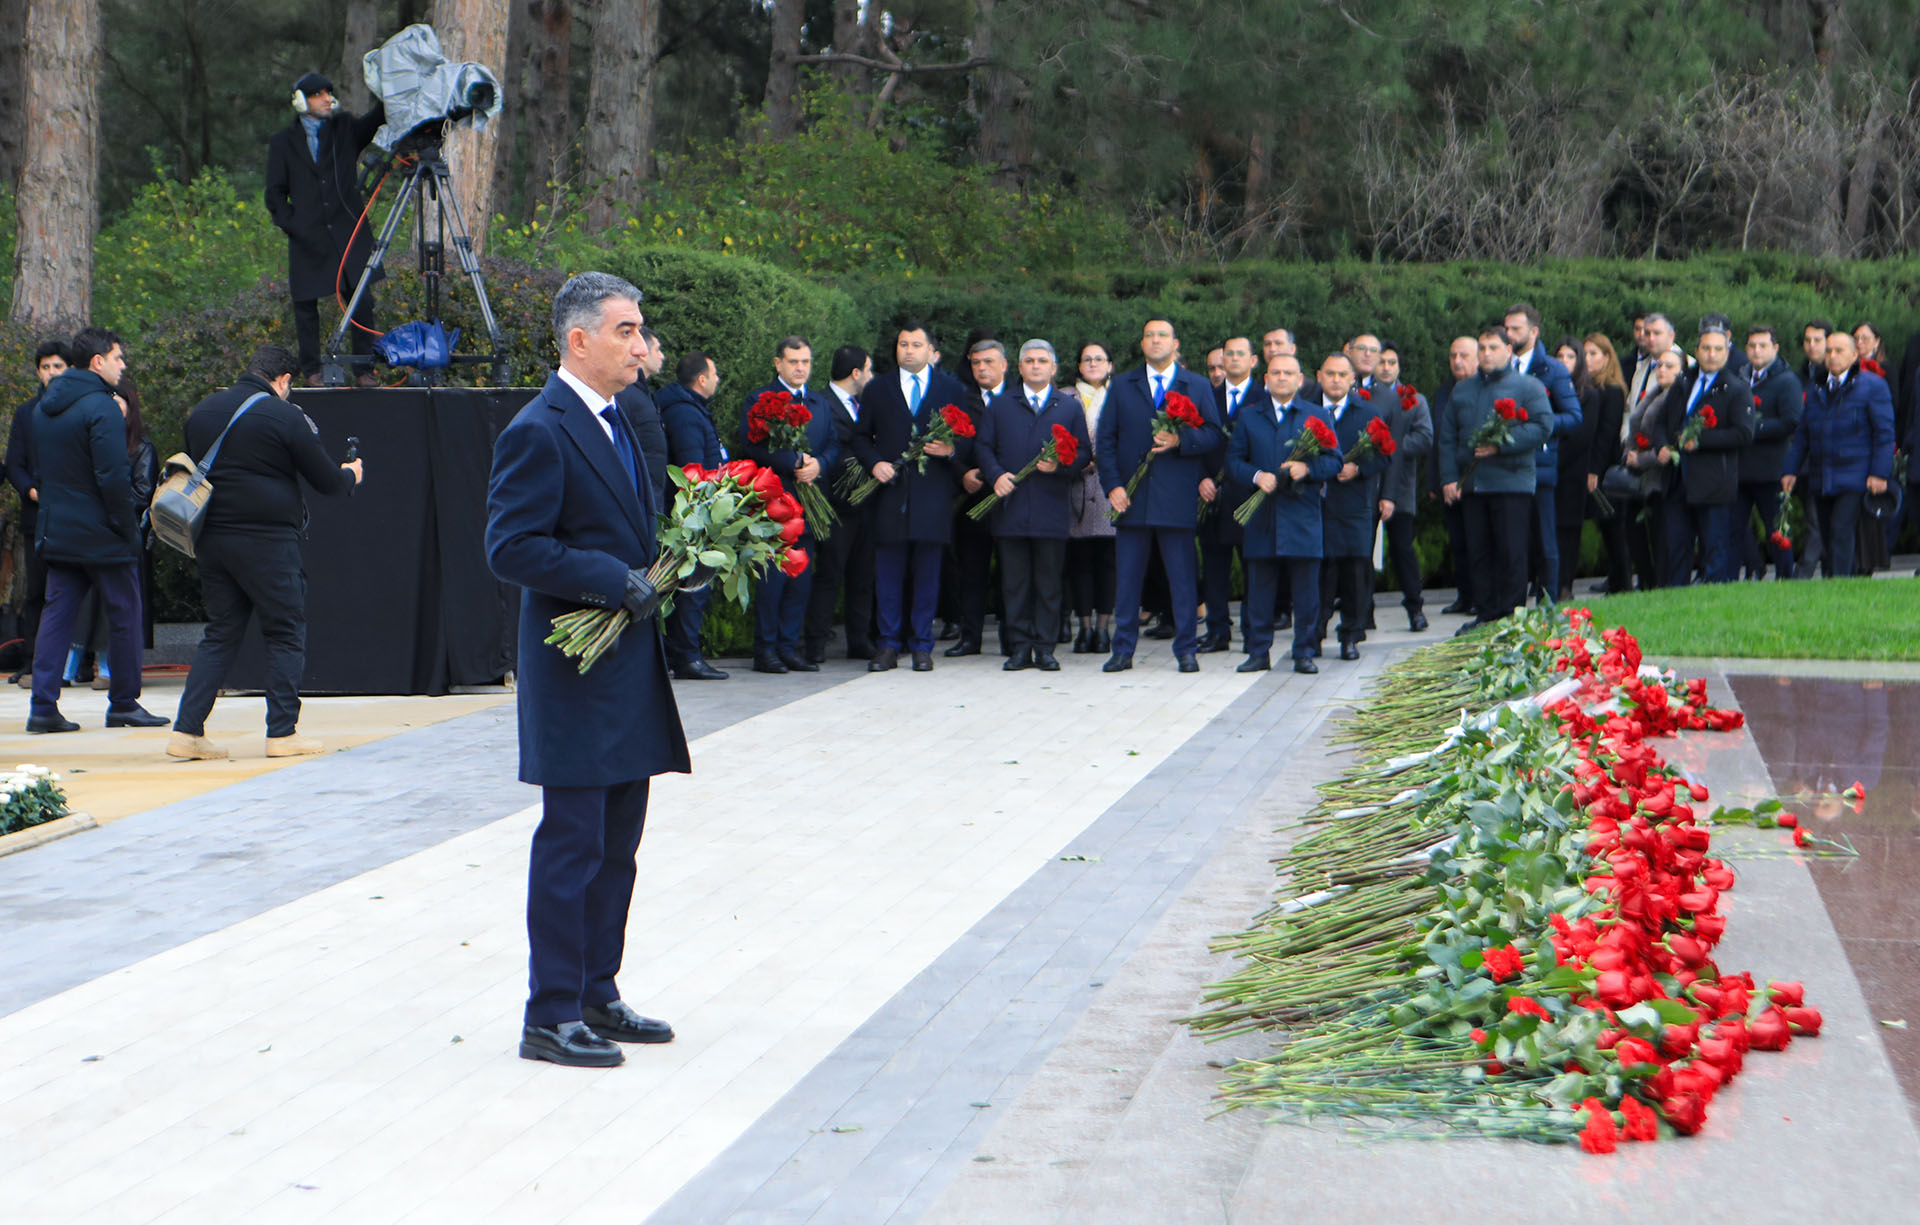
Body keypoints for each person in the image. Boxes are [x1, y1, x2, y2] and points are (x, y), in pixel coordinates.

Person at [485, 271, 691, 1068]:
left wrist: (671, 566)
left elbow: (625, 534)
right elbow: (510, 546)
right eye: (627, 330)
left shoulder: (618, 420)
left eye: (640, 330)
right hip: (573, 676)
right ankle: (551, 1011)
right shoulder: (541, 428)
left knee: (617, 844)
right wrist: (613, 579)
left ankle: (598, 993)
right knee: (573, 842)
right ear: (580, 340)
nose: (641, 345)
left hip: (625, 667)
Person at [166, 343, 363, 759]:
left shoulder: (204, 411)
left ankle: (186, 733)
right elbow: (326, 481)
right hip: (267, 542)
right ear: (284, 380)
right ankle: (282, 732)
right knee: (285, 630)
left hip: (210, 539)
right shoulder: (283, 415)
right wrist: (350, 474)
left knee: (220, 633)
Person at [25, 328, 169, 734]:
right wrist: (127, 529)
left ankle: (42, 707)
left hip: (58, 530)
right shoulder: (101, 407)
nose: (123, 366)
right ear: (97, 362)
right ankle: (124, 702)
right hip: (103, 533)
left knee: (56, 616)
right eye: (118, 358)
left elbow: (48, 471)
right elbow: (111, 476)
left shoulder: (43, 408)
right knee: (125, 613)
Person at [1098, 318, 1222, 673]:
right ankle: (1122, 649)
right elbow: (1105, 441)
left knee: (1182, 579)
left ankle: (1186, 650)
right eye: (1149, 335)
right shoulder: (1122, 385)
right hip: (1131, 499)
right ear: (1141, 344)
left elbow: (1214, 434)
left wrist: (1181, 441)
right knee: (1128, 579)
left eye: (1162, 335)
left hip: (1177, 496)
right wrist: (1114, 486)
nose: (1155, 340)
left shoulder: (1196, 385)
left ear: (1175, 343)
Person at [851, 322, 972, 672]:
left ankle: (922, 645)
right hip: (890, 495)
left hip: (933, 495)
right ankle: (888, 644)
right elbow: (860, 437)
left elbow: (967, 439)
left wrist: (951, 449)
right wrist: (874, 464)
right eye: (903, 344)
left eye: (916, 344)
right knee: (887, 573)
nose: (908, 350)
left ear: (929, 349)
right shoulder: (878, 389)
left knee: (928, 572)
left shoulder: (951, 388)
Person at [975, 340, 1091, 672]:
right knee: (1014, 584)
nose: (1036, 366)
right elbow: (983, 447)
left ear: (1054, 369)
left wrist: (1062, 467)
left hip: (1051, 508)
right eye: (1029, 360)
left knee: (1049, 583)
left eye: (1042, 361)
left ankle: (1045, 648)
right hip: (1010, 508)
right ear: (1019, 366)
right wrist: (995, 475)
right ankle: (1019, 647)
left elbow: (1083, 451)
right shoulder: (1001, 405)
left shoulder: (1068, 407)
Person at [264, 72, 384, 383]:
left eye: (329, 93)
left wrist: (388, 91)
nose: (326, 98)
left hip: (349, 233)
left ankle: (364, 369)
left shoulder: (344, 128)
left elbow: (374, 120)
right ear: (301, 101)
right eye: (318, 94)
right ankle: (313, 371)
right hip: (308, 238)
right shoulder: (282, 143)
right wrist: (294, 225)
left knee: (362, 301)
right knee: (305, 307)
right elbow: (274, 193)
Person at [1229, 356, 1339, 675]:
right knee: (1260, 589)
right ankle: (1258, 651)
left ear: (1300, 379)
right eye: (1275, 372)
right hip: (1263, 514)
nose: (1281, 377)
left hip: (1302, 514)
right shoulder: (1249, 416)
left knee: (1306, 591)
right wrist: (1255, 476)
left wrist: (1308, 468)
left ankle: (1304, 650)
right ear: (1266, 378)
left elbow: (1335, 461)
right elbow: (1233, 461)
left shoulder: (1316, 416)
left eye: (1288, 373)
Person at [1437, 326, 1552, 629]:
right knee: (1478, 551)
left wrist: (1502, 442)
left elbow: (1542, 427)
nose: (1486, 354)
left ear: (1509, 351)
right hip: (1473, 485)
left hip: (1511, 483)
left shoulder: (1528, 387)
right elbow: (1447, 437)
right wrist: (1449, 477)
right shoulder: (1462, 390)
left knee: (1511, 552)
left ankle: (1511, 615)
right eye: (1482, 348)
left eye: (1493, 348)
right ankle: (1485, 613)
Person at [739, 336, 837, 674]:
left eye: (806, 362)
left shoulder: (820, 403)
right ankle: (765, 650)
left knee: (801, 581)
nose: (800, 368)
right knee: (773, 581)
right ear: (778, 363)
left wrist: (819, 464)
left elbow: (834, 444)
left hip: (810, 507)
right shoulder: (760, 399)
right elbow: (751, 446)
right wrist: (793, 460)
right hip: (776, 506)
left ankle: (789, 647)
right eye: (794, 362)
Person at [1646, 326, 1754, 586]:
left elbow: (1743, 434)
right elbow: (1661, 422)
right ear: (1696, 351)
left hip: (1713, 481)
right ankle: (1675, 597)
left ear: (1727, 352)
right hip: (1677, 479)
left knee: (1714, 547)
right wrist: (1661, 445)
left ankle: (1712, 601)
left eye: (1718, 349)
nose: (1712, 354)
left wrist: (1702, 440)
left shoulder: (1736, 388)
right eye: (1706, 348)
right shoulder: (1684, 381)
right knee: (1676, 547)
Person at [1783, 330, 1895, 579]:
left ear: (1855, 355)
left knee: (1841, 529)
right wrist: (1790, 469)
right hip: (1822, 473)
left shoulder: (1872, 386)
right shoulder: (1817, 388)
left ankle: (1841, 582)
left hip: (1855, 474)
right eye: (1829, 351)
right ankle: (1833, 579)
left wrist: (1879, 473)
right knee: (1825, 531)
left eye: (1839, 351)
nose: (1832, 356)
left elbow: (1884, 434)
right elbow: (1804, 433)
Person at [656, 350, 728, 680]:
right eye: (714, 375)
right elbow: (692, 469)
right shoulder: (685, 414)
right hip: (693, 515)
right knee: (693, 586)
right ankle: (686, 657)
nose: (717, 380)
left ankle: (683, 653)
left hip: (694, 510)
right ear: (701, 380)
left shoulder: (688, 408)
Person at [1503, 304, 1582, 604]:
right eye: (1506, 328)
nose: (1509, 335)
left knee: (1546, 541)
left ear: (1534, 332)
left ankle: (1547, 605)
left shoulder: (1552, 369)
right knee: (1512, 541)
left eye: (1516, 329)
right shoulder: (1500, 367)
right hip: (1506, 465)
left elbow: (1574, 417)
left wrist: (1537, 425)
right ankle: (1511, 606)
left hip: (1540, 465)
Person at [1312, 354, 1389, 659]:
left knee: (1355, 572)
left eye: (1342, 374)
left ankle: (1351, 636)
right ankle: (1313, 632)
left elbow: (1384, 455)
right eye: (1330, 373)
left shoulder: (1367, 412)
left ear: (1352, 379)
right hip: (1317, 505)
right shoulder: (1307, 409)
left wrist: (1358, 468)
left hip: (1354, 504)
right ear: (1319, 375)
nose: (1335, 380)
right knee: (1320, 573)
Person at [806, 344, 878, 663]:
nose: (872, 376)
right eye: (869, 369)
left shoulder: (866, 403)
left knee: (864, 575)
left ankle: (859, 640)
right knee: (829, 574)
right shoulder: (821, 404)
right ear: (856, 373)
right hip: (834, 503)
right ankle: (816, 643)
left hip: (867, 503)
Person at [4, 340, 69, 687]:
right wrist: (31, 490)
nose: (51, 373)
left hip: (75, 514)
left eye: (58, 366)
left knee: (76, 589)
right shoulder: (26, 413)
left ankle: (80, 662)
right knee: (36, 591)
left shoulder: (81, 408)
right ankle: (32, 664)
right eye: (45, 367)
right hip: (37, 514)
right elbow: (13, 464)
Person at [948, 339, 1008, 657]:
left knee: (1011, 571)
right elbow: (948, 445)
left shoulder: (1016, 398)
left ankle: (1013, 636)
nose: (982, 368)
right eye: (976, 363)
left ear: (1004, 365)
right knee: (971, 571)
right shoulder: (962, 399)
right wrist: (961, 473)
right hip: (972, 498)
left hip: (1009, 496)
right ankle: (970, 636)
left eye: (988, 362)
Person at [1199, 336, 1257, 652]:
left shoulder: (1264, 397)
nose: (1233, 359)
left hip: (1250, 497)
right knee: (1214, 570)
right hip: (1214, 499)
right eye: (1228, 354)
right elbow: (1195, 442)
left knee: (1254, 570)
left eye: (1240, 354)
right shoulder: (1207, 396)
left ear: (1253, 360)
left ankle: (1253, 631)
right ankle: (1217, 631)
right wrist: (1201, 479)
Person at [1734, 326, 1803, 582]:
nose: (1756, 350)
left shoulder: (1786, 380)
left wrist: (1752, 428)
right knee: (1734, 527)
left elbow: (1791, 421)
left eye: (1763, 345)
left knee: (1776, 529)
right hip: (1741, 469)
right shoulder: (1741, 377)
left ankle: (1786, 577)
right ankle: (1748, 571)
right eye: (1752, 345)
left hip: (1771, 468)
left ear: (1775, 348)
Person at [1375, 343, 1433, 629]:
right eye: (1381, 361)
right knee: (1360, 553)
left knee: (1403, 549)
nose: (1386, 367)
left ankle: (1415, 608)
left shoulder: (1414, 400)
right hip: (1367, 485)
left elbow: (1425, 438)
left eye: (1391, 362)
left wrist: (1388, 447)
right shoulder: (1363, 397)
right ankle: (1363, 611)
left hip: (1401, 485)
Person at [1618, 349, 1687, 590]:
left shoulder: (1678, 398)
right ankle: (1647, 581)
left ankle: (1661, 583)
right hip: (1641, 474)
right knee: (1636, 531)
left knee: (1661, 535)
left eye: (1670, 366)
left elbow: (1669, 441)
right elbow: (1635, 427)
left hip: (1660, 474)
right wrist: (1630, 453)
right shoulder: (1654, 393)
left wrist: (1643, 459)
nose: (1662, 370)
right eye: (1659, 366)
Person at [1067, 342, 1117, 654]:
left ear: (1110, 365)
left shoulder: (1121, 395)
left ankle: (1103, 628)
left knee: (1108, 562)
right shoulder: (1064, 396)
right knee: (1079, 563)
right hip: (1074, 488)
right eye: (1087, 358)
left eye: (1100, 358)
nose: (1094, 363)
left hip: (1111, 489)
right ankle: (1083, 628)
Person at [1577, 334, 1631, 594]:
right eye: (1584, 354)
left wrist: (1593, 471)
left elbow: (1606, 434)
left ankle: (1623, 581)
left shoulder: (1611, 390)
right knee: (1606, 526)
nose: (1587, 359)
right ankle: (1617, 578)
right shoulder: (1591, 388)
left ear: (1607, 357)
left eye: (1593, 354)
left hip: (1607, 468)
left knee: (1614, 526)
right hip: (1597, 465)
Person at [1430, 337, 1479, 615]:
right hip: (1449, 481)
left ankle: (1479, 597)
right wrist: (1436, 481)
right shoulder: (1444, 391)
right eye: (1452, 356)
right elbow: (1439, 439)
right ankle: (1464, 595)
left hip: (1475, 481)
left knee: (1477, 543)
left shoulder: (1482, 389)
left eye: (1464, 355)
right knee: (1458, 543)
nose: (1457, 361)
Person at [1549, 338, 1598, 602]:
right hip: (1549, 472)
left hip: (1572, 473)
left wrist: (1554, 458)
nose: (1564, 362)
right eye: (1560, 356)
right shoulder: (1548, 390)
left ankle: (1565, 583)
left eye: (1570, 357)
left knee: (1568, 531)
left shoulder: (1589, 395)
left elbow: (1581, 436)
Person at [615, 326, 673, 513]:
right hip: (642, 503)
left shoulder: (641, 393)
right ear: (643, 351)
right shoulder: (626, 393)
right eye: (658, 349)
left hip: (651, 500)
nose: (662, 356)